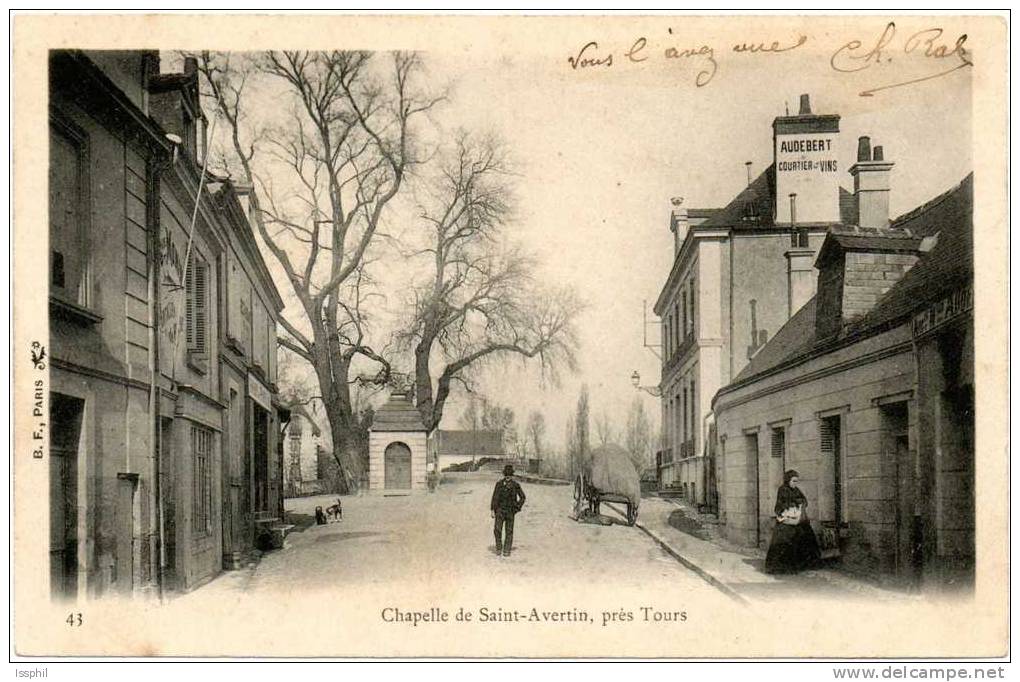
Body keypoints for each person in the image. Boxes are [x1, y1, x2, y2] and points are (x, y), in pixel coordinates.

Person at [764, 469, 821, 574]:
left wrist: (800, 503)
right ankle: (782, 567)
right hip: (786, 521)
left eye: (796, 481)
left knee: (807, 537)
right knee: (785, 542)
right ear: (788, 480)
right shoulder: (783, 489)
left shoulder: (796, 490)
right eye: (793, 481)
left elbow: (804, 500)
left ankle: (803, 565)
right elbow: (781, 504)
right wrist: (794, 504)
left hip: (797, 519)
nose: (795, 483)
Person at [490, 464, 526, 557]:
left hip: (510, 511)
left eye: (509, 475)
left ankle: (507, 550)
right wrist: (493, 510)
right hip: (500, 511)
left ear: (512, 476)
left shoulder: (516, 485)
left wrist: (517, 507)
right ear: (504, 475)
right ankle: (499, 548)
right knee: (497, 530)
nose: (507, 477)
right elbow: (494, 497)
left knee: (509, 531)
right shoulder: (499, 484)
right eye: (506, 475)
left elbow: (522, 497)